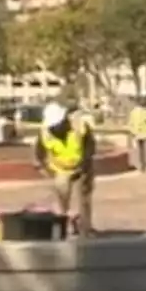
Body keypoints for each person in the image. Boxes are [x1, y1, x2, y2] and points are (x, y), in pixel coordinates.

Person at [35, 101, 96, 237]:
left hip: (82, 165)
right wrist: (47, 169)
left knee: (84, 198)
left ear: (64, 119)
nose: (55, 129)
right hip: (61, 169)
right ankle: (64, 225)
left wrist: (85, 163)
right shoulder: (45, 132)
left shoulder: (79, 125)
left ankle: (85, 229)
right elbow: (39, 153)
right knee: (62, 197)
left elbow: (90, 145)